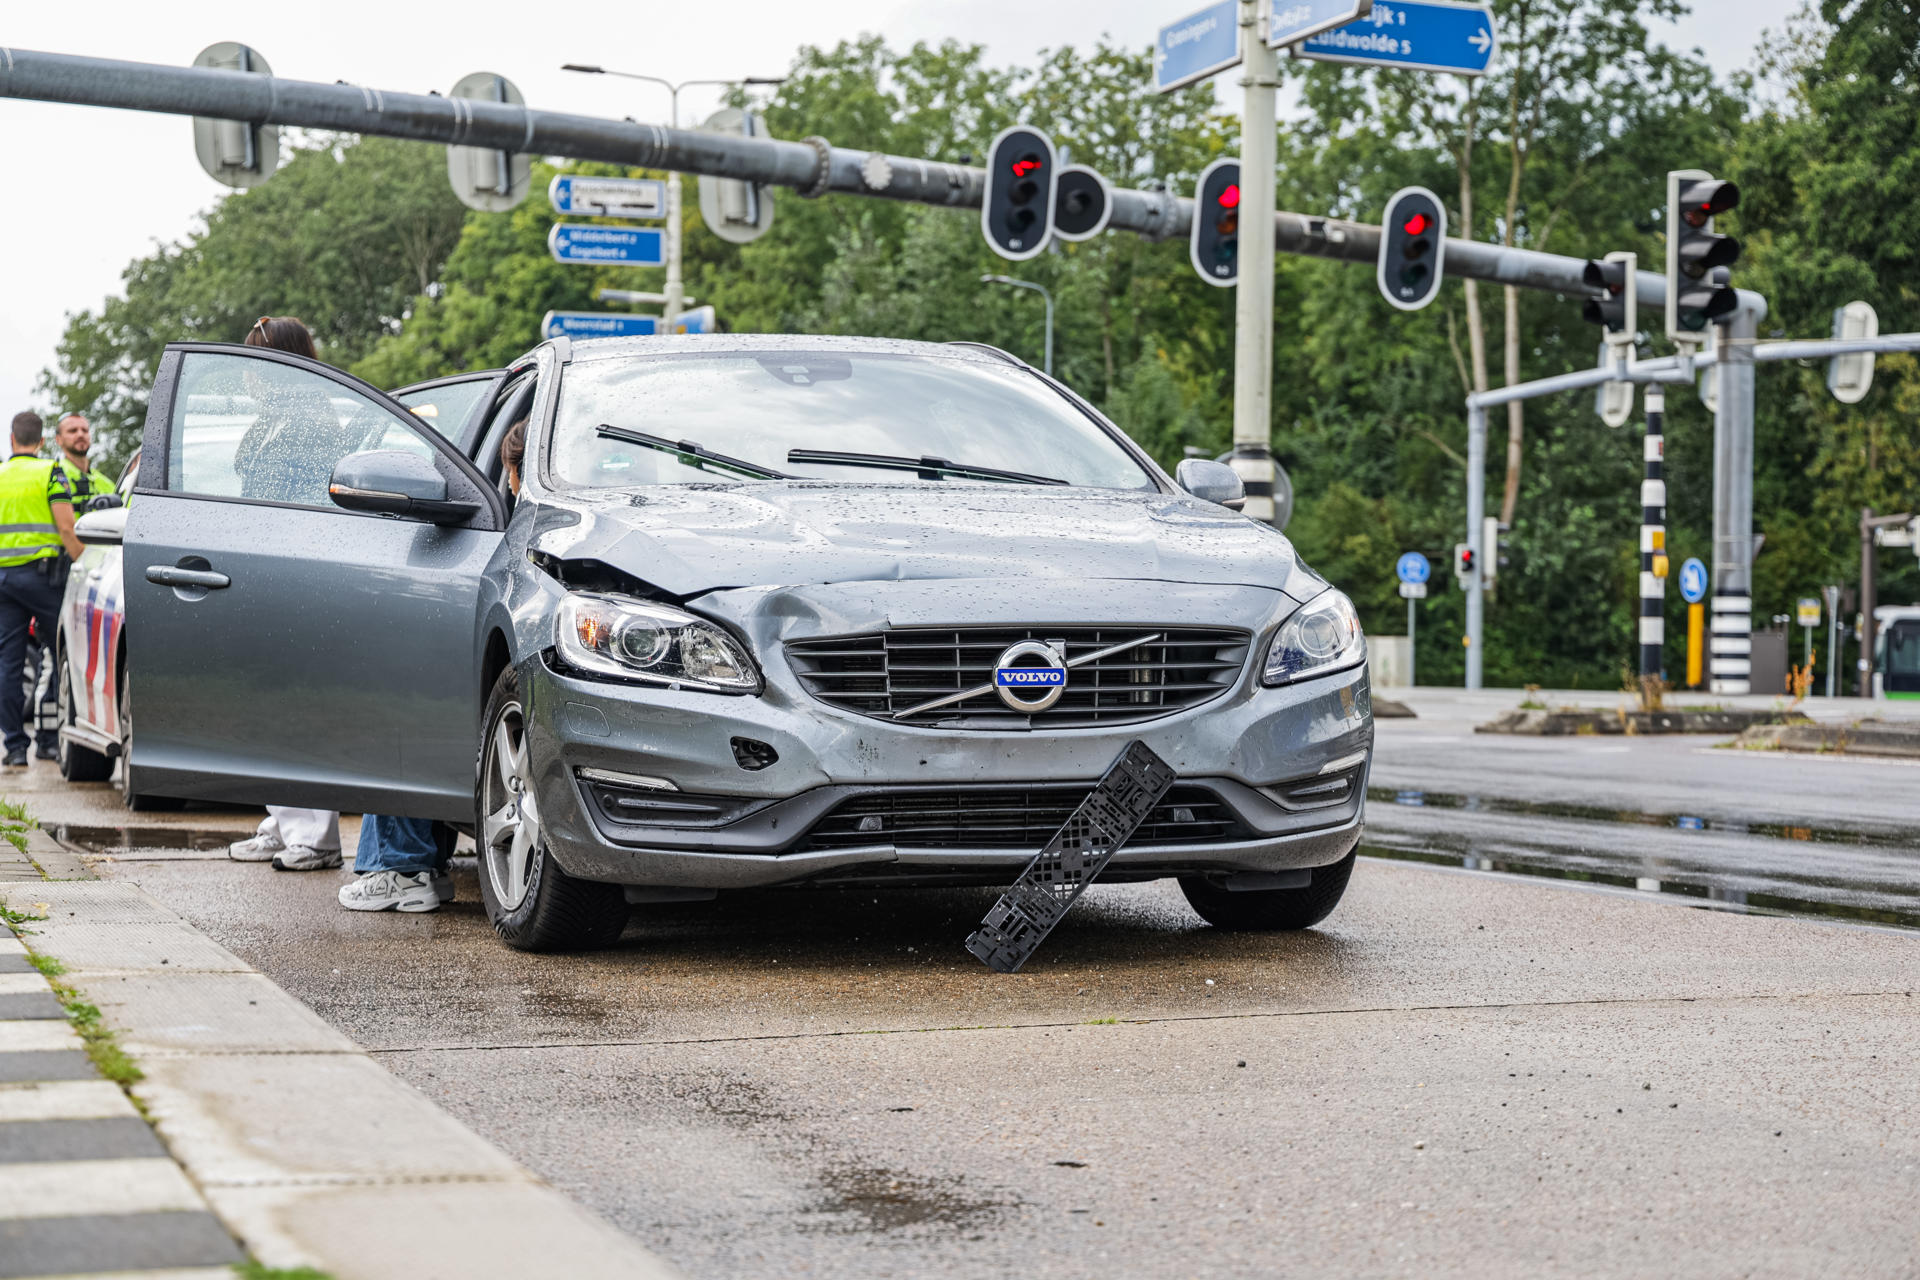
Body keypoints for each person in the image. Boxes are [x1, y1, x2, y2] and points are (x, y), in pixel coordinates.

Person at [338, 421, 526, 913]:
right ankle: (419, 864)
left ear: (513, 472)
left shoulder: (506, 522)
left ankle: (401, 868)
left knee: (396, 708)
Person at [224, 317, 345, 871]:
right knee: (267, 701)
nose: (249, 374)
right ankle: (283, 816)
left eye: (258, 361)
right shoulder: (275, 420)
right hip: (266, 572)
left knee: (299, 702)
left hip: (297, 576)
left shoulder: (312, 423)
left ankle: (315, 833)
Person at [0, 412, 81, 767]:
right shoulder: (51, 472)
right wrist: (85, 565)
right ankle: (47, 740)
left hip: (4, 580)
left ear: (12, 439)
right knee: (59, 654)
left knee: (9, 663)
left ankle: (15, 747)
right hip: (43, 579)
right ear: (43, 441)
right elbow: (66, 527)